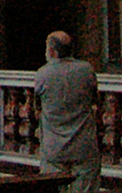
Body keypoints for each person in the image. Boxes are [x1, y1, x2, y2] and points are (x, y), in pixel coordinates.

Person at [34, 31, 100, 193]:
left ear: (51, 51)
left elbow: (37, 106)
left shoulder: (43, 73)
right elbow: (95, 100)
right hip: (83, 144)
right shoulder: (86, 69)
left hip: (54, 147)